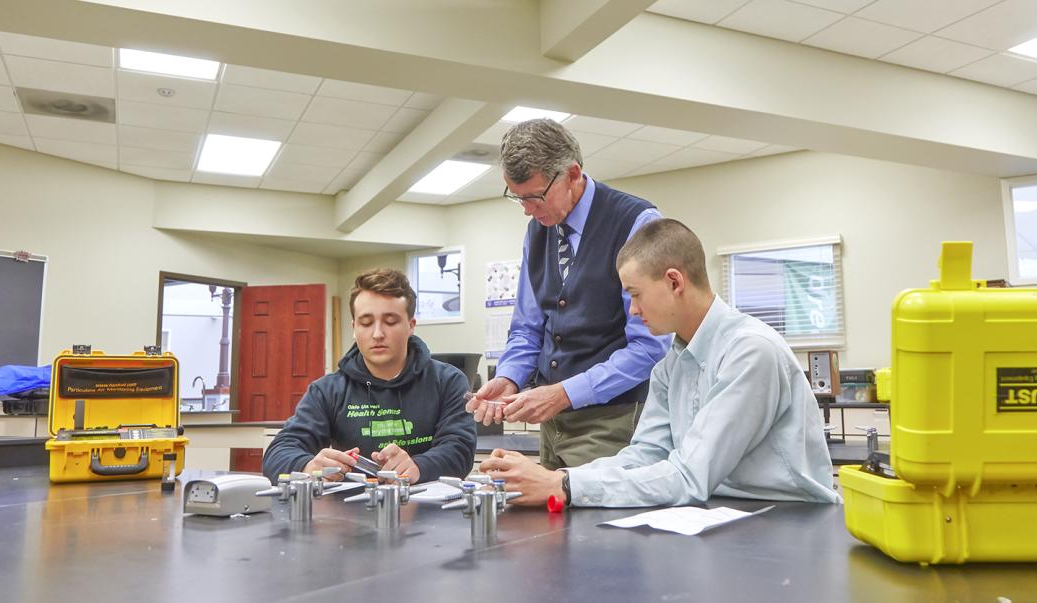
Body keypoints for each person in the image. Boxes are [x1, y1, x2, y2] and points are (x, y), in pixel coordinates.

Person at [480, 219, 840, 507]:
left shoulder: (750, 353)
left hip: (789, 521)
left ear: (674, 281)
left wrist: (563, 484)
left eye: (635, 295)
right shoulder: (672, 364)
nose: (633, 310)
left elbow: (690, 476)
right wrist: (555, 480)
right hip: (723, 513)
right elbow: (645, 455)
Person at [467, 118, 670, 470]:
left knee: (594, 524)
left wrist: (565, 393)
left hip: (614, 421)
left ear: (572, 174)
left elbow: (650, 347)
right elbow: (528, 327)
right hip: (552, 424)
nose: (528, 209)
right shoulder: (538, 231)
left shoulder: (637, 223)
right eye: (517, 197)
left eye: (534, 197)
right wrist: (509, 377)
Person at [262, 269, 475, 484]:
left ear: (411, 326)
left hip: (430, 512)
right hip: (349, 511)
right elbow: (278, 453)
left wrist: (419, 466)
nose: (377, 334)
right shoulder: (327, 390)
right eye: (365, 323)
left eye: (390, 321)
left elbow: (459, 449)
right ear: (354, 328)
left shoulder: (448, 381)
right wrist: (307, 465)